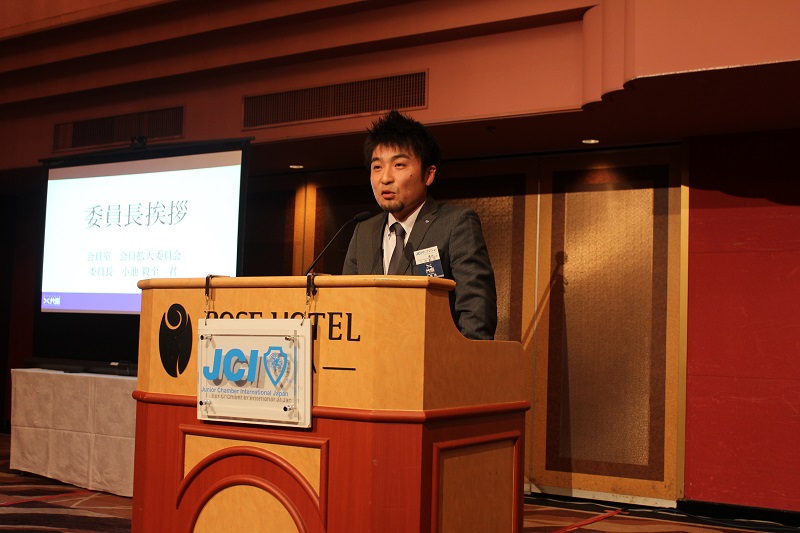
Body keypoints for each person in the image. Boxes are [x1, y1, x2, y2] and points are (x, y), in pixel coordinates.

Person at [342, 110, 497, 340]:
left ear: (428, 174)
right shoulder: (363, 230)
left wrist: (463, 360)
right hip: (370, 357)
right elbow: (346, 305)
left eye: (399, 165)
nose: (385, 178)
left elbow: (477, 310)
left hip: (435, 358)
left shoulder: (456, 224)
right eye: (377, 167)